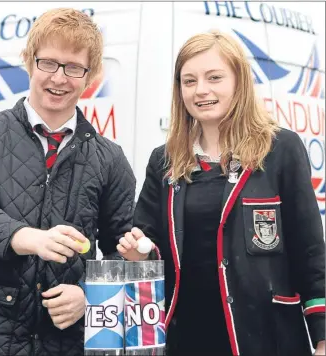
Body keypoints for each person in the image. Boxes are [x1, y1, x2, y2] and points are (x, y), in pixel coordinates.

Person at [117, 30, 325, 355]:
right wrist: (140, 251)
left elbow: (311, 252)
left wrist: (322, 335)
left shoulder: (281, 149)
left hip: (266, 336)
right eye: (189, 81)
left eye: (214, 77)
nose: (201, 90)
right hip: (187, 336)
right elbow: (148, 239)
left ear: (238, 82)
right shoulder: (165, 159)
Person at [0, 8, 135, 356]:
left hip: (67, 342)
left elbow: (120, 249)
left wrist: (89, 295)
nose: (59, 78)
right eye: (48, 62)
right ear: (29, 62)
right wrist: (33, 239)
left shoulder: (110, 158)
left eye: (73, 68)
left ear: (90, 76)